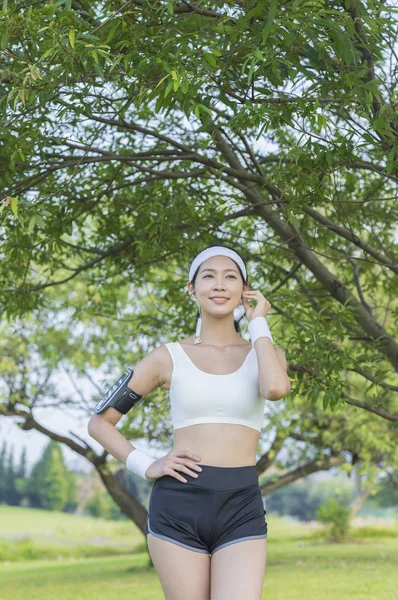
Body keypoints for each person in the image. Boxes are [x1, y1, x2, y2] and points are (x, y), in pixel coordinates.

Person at [88, 244, 291, 600]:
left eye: (230, 277)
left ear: (244, 289)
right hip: (179, 504)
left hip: (241, 503)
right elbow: (100, 423)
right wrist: (148, 464)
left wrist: (258, 322)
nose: (219, 285)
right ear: (191, 288)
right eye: (208, 276)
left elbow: (275, 388)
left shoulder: (267, 353)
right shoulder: (167, 357)